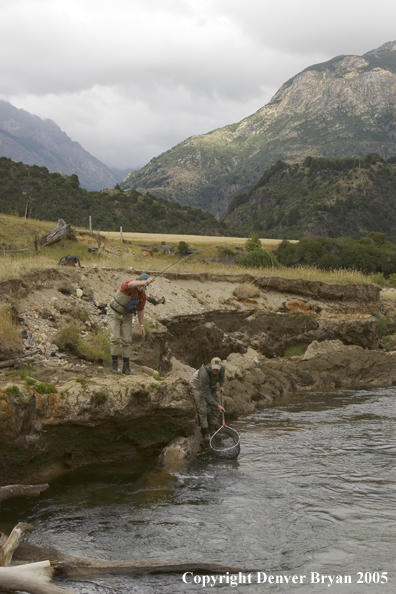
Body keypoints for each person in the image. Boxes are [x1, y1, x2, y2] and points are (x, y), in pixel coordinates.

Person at [108, 273, 154, 374]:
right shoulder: (128, 284)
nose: (143, 287)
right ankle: (114, 366)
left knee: (127, 340)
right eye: (142, 284)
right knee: (115, 338)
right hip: (114, 313)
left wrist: (141, 325)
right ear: (138, 280)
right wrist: (144, 282)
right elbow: (131, 284)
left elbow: (140, 310)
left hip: (127, 317)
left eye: (145, 286)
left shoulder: (142, 295)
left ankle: (126, 367)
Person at [189, 357, 226, 443]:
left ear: (220, 367)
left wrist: (221, 385)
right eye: (214, 368)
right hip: (197, 386)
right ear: (210, 365)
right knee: (203, 410)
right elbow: (205, 394)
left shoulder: (222, 368)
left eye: (217, 369)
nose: (216, 370)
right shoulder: (204, 374)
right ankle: (206, 433)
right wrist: (217, 405)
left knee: (216, 408)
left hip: (209, 385)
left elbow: (221, 377)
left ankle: (212, 430)